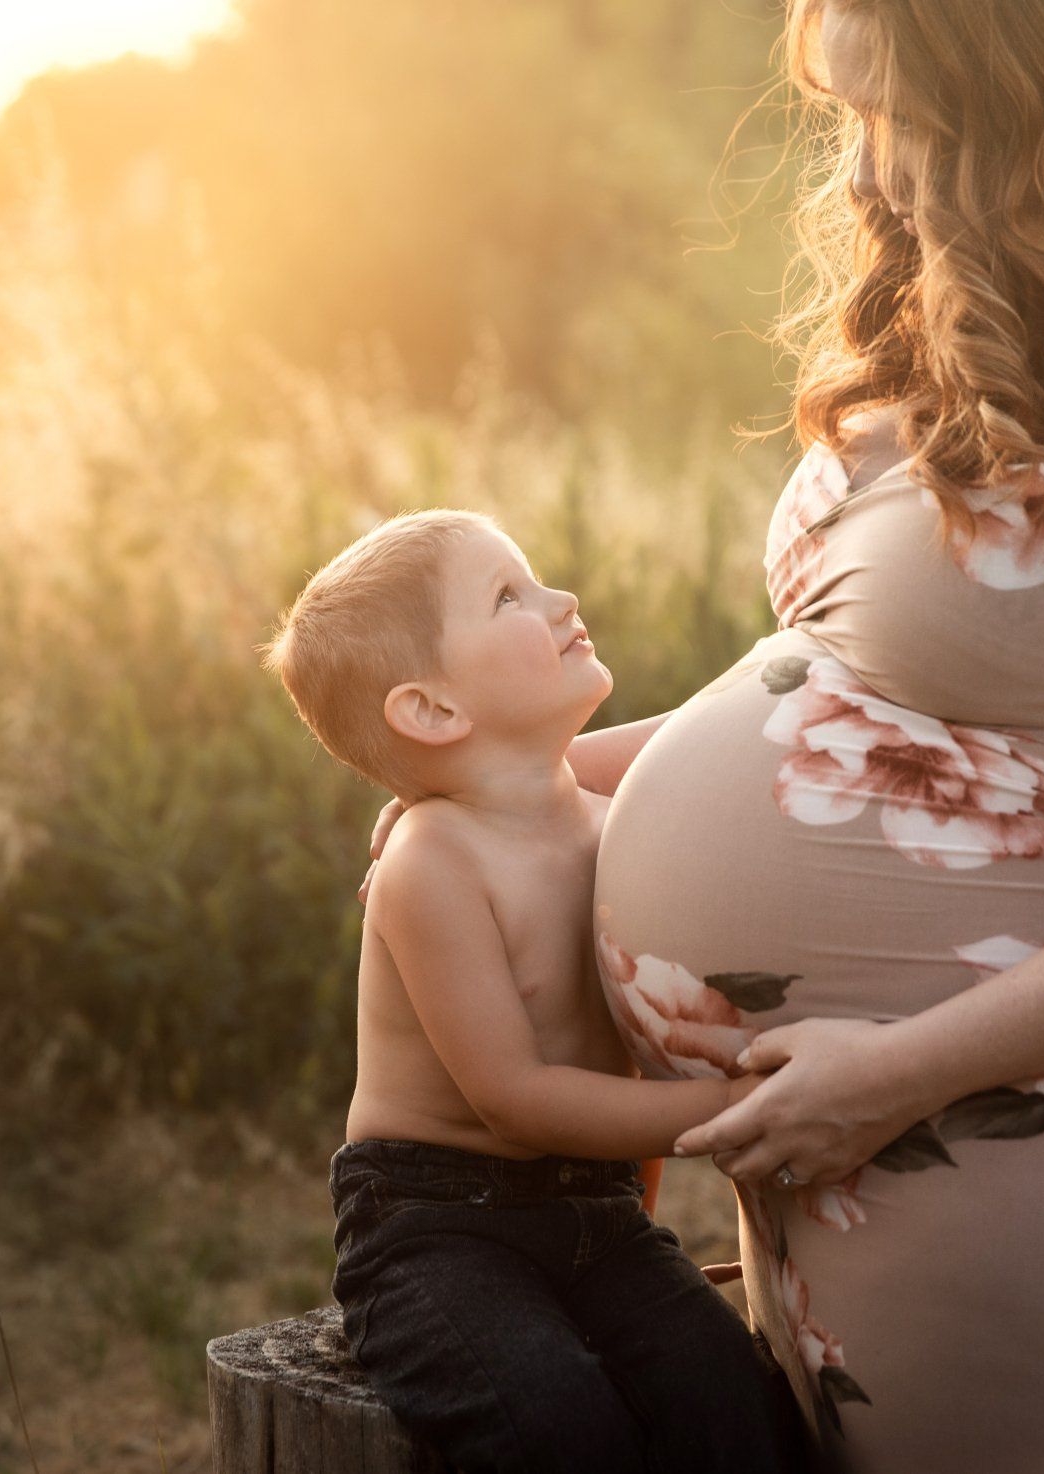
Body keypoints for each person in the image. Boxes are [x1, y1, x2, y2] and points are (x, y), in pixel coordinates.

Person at [369, 1, 1044, 1468]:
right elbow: (847, 680)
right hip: (832, 1126)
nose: (870, 172)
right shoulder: (978, 310)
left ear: (1023, 79)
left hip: (1002, 1134)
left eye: (897, 114)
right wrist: (483, 790)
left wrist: (897, 1076)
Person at [258, 508, 811, 1474]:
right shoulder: (432, 860)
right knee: (556, 1427)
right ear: (431, 711)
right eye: (509, 596)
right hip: (437, 1226)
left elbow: (721, 727)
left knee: (738, 1411)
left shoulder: (609, 819)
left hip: (595, 1212)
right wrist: (730, 1108)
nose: (563, 600)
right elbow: (514, 1098)